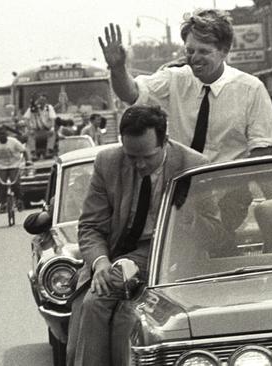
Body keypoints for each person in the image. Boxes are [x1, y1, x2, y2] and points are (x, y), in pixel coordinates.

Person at [66, 106, 210, 366]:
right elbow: (89, 226)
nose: (139, 164)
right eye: (131, 156)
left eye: (147, 156)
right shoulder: (107, 162)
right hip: (118, 255)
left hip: (172, 258)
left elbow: (214, 229)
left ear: (165, 141)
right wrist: (99, 263)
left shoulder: (195, 165)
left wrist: (190, 221)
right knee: (92, 303)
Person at [99, 9, 272, 162]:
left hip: (233, 193)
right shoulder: (173, 79)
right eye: (190, 51)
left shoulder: (251, 89)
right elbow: (131, 94)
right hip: (185, 193)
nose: (194, 58)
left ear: (224, 51)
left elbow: (262, 149)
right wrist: (118, 68)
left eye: (204, 51)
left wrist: (234, 185)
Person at [0, 126, 27, 214]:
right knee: (1, 184)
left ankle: (19, 200)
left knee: (15, 183)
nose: (2, 136)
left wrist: (27, 161)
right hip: (0, 166)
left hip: (14, 165)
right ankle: (3, 204)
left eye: (4, 134)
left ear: (7, 135)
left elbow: (23, 151)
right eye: (0, 134)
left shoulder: (13, 141)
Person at [24, 94, 57, 160]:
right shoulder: (33, 108)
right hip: (35, 131)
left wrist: (52, 128)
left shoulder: (49, 108)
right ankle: (33, 153)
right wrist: (30, 129)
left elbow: (53, 119)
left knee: (53, 134)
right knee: (30, 135)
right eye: (41, 100)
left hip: (46, 131)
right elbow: (26, 119)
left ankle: (49, 150)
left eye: (43, 100)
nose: (42, 102)